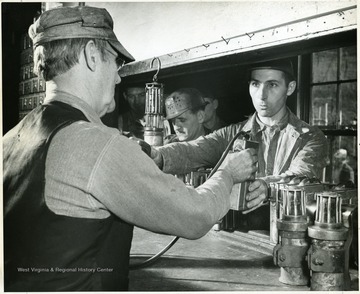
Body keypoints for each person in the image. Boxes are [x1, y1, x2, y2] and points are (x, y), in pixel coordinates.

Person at [3, 6, 260, 292]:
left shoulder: (10, 139)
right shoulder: (99, 143)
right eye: (115, 63)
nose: (118, 78)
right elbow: (196, 216)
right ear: (91, 55)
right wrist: (228, 173)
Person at [148, 59, 328, 229]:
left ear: (290, 88)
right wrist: (158, 155)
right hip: (238, 233)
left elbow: (302, 174)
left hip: (288, 234)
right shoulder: (233, 133)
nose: (262, 95)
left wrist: (268, 187)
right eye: (255, 84)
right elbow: (196, 149)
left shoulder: (310, 137)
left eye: (272, 85)